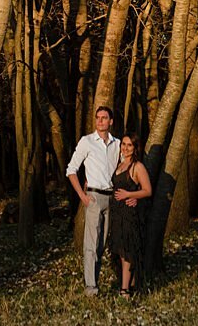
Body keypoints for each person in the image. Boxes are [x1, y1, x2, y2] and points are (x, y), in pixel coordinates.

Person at [65, 104, 122, 294]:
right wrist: (83, 196)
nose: (100, 121)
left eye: (104, 118)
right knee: (91, 243)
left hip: (111, 197)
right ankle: (91, 287)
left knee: (101, 244)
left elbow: (123, 169)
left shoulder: (117, 144)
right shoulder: (87, 141)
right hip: (94, 197)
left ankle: (95, 281)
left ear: (111, 121)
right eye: (97, 118)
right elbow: (71, 170)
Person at [107, 134, 154, 297]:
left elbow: (148, 190)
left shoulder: (137, 166)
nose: (125, 148)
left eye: (129, 145)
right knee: (119, 250)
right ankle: (131, 284)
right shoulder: (119, 164)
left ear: (135, 148)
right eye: (124, 144)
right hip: (116, 214)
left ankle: (124, 289)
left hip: (129, 214)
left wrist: (130, 194)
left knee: (127, 250)